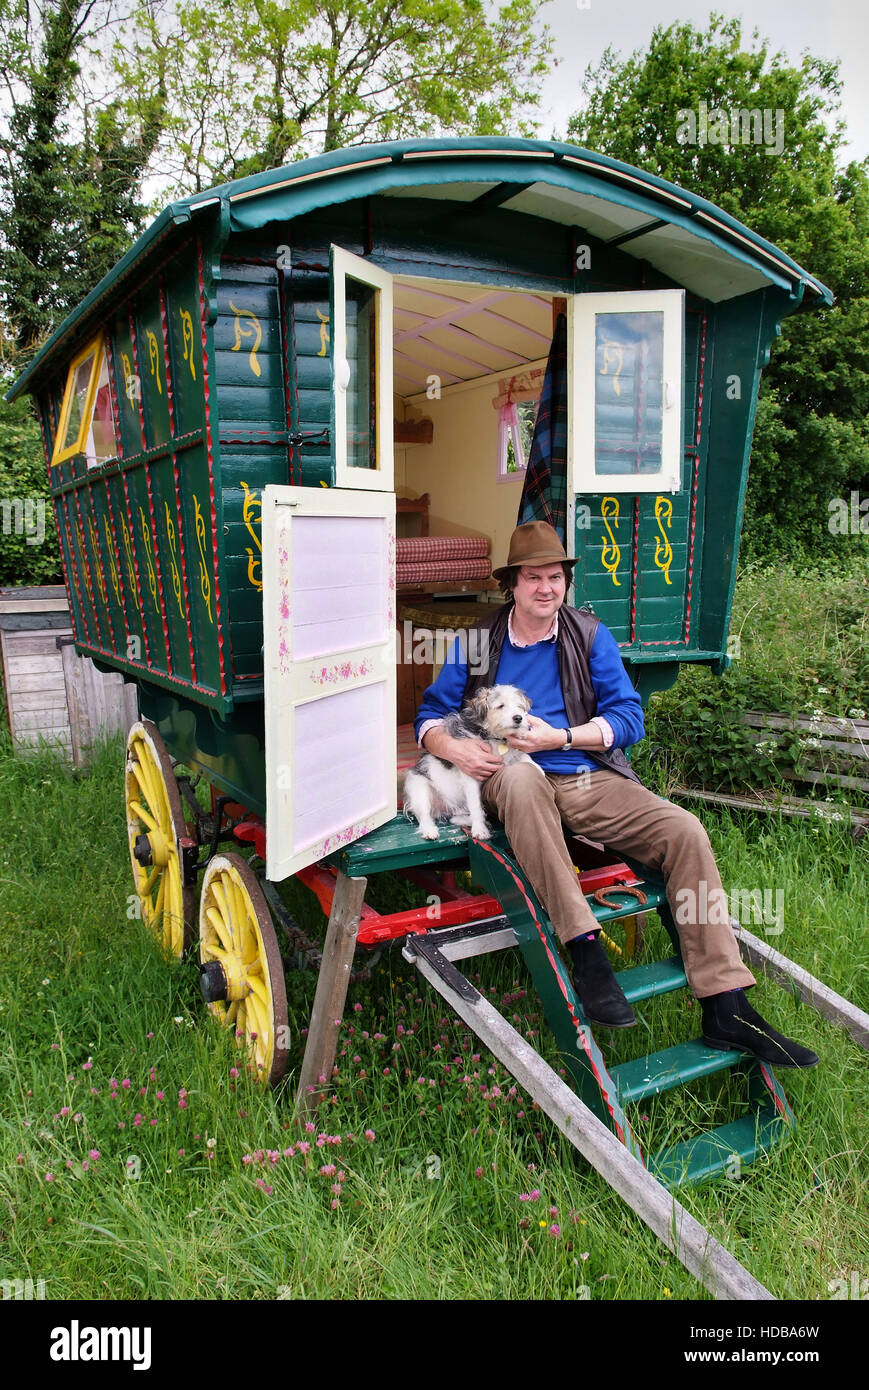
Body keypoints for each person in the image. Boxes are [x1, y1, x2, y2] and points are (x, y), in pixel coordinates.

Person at [414, 521, 818, 1067]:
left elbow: (630, 716)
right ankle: (585, 951)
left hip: (583, 774)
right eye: (532, 577)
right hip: (506, 771)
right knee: (526, 779)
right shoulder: (477, 641)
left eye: (554, 577)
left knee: (683, 830)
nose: (545, 589)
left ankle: (727, 1005)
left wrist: (564, 736)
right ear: (512, 584)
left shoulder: (589, 635)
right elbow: (430, 714)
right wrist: (453, 747)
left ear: (564, 582)